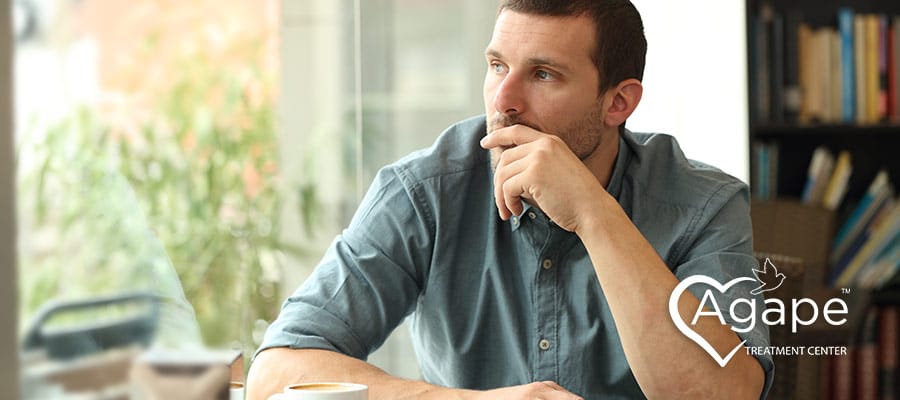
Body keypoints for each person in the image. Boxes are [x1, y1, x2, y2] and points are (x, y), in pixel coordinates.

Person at [247, 1, 773, 399]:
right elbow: (276, 371)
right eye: (498, 66)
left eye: (543, 75)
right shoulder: (425, 191)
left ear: (618, 102)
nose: (503, 101)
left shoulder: (703, 204)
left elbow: (727, 391)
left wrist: (593, 214)